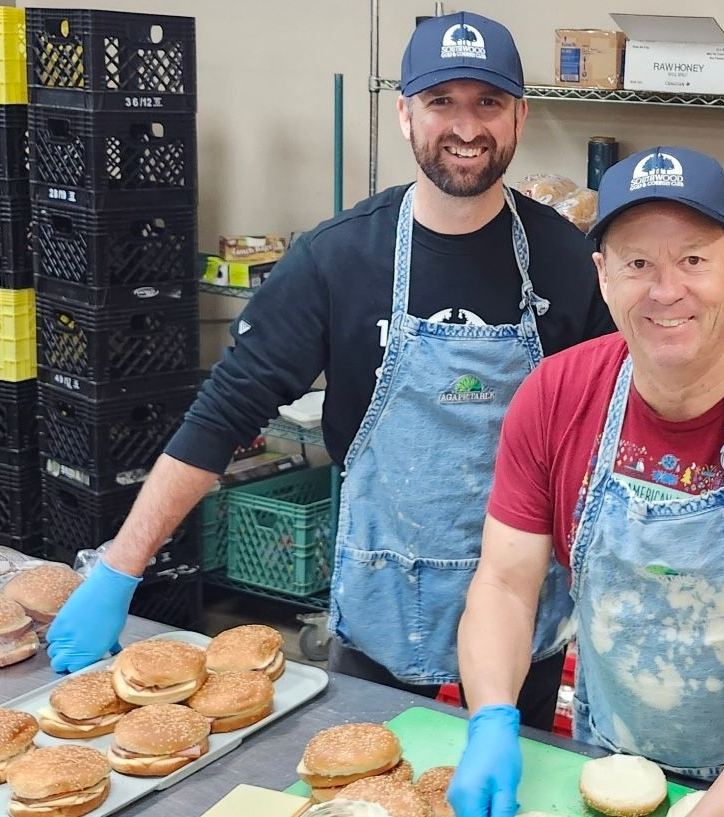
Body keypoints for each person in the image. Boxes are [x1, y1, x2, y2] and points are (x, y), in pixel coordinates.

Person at [43, 11, 613, 731]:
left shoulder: (569, 259)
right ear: (405, 114)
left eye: (488, 103)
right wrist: (120, 568)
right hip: (381, 602)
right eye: (442, 102)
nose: (466, 126)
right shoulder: (339, 258)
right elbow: (223, 413)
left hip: (525, 604)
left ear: (520, 116)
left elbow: (616, 435)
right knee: (363, 780)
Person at [448, 146, 724, 816]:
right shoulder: (554, 398)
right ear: (601, 275)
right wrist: (490, 719)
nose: (665, 290)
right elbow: (506, 583)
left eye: (692, 259)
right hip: (610, 768)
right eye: (637, 263)